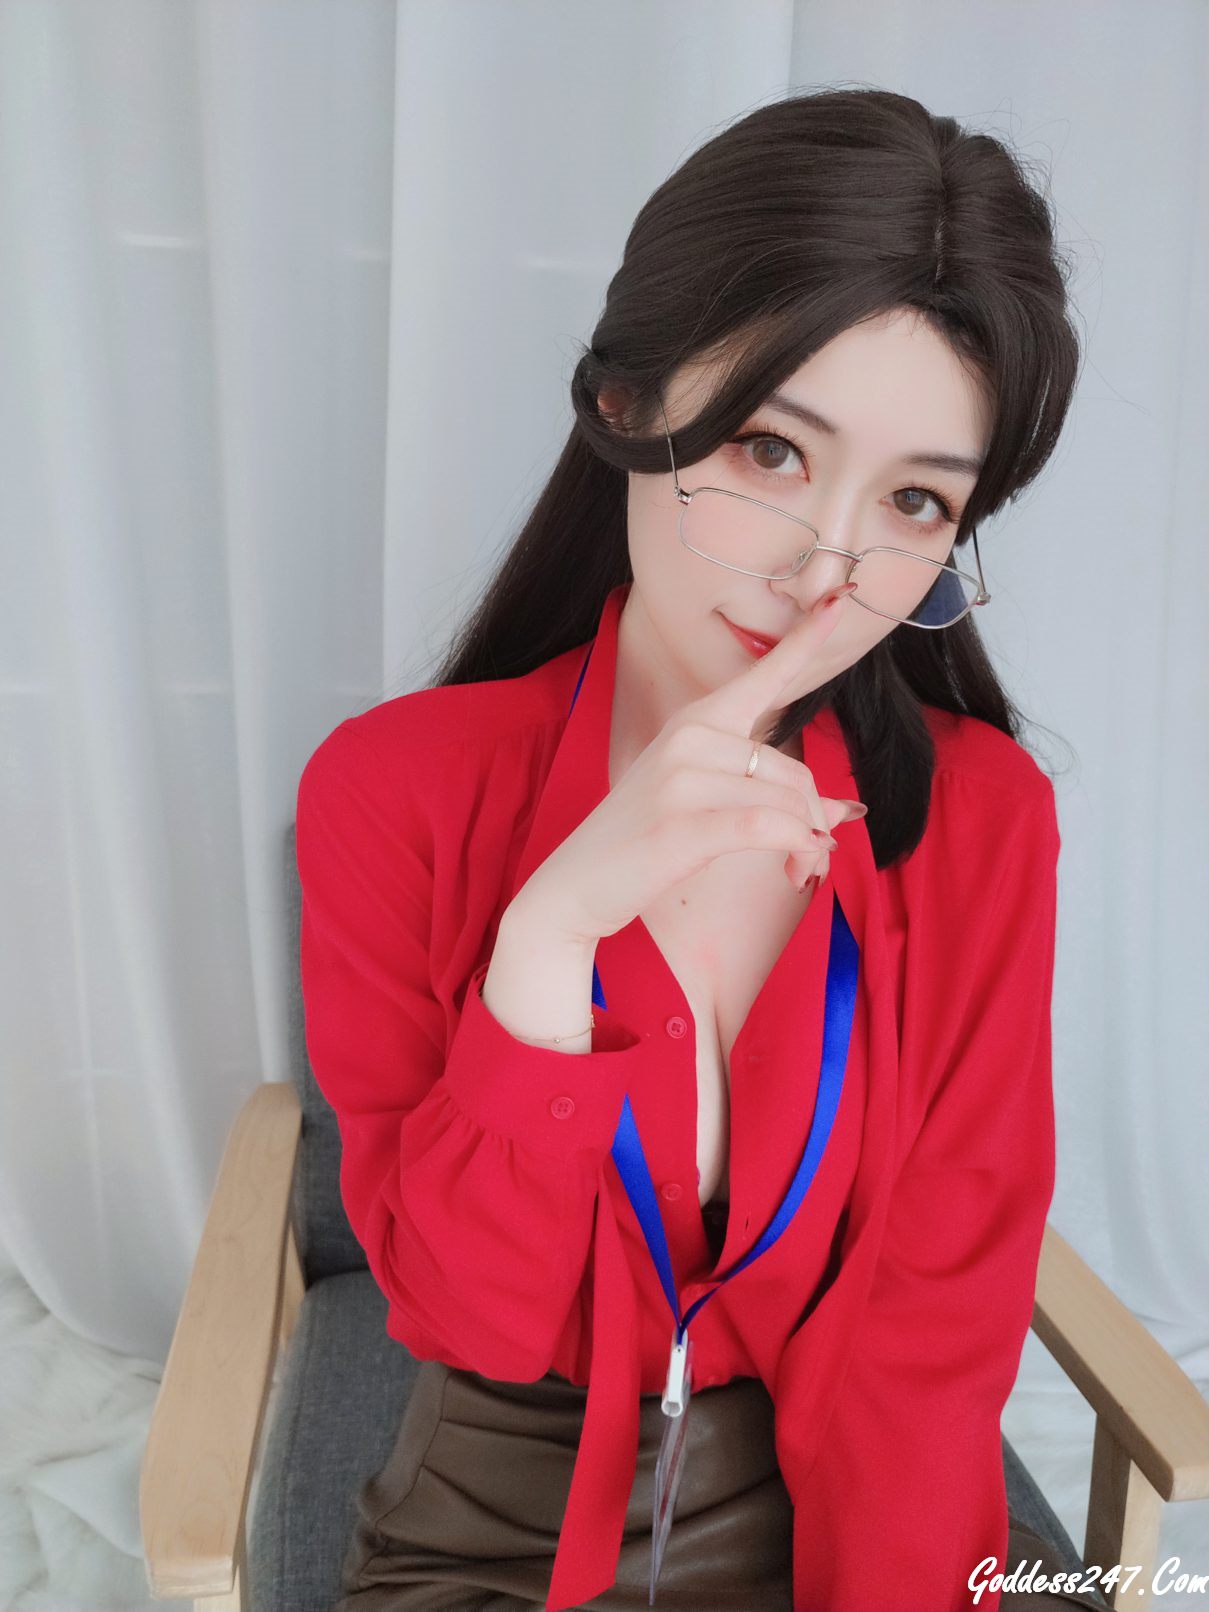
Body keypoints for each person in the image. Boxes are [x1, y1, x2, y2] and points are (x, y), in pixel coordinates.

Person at [295, 86, 1091, 1612]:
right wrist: (552, 932)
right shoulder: (395, 791)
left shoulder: (979, 822)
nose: (824, 571)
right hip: (498, 1517)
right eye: (770, 450)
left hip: (839, 1495)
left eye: (913, 500)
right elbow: (469, 1311)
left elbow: (934, 1328)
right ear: (625, 402)